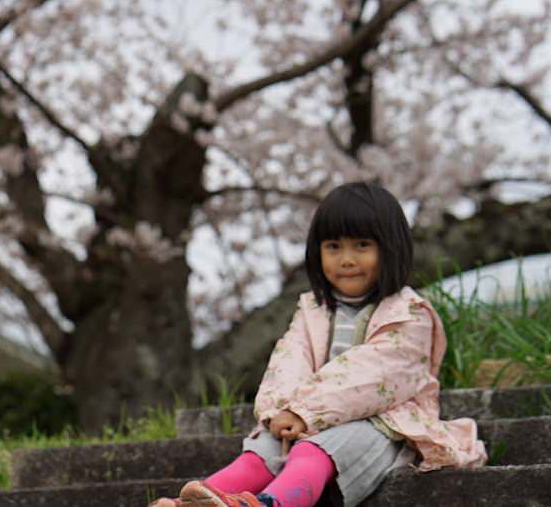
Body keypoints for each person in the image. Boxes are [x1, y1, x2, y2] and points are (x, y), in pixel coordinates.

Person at [151, 181, 486, 507]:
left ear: (391, 247)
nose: (347, 259)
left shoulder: (409, 313)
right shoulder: (313, 310)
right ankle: (197, 501)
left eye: (362, 245)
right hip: (309, 419)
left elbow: (376, 374)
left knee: (312, 452)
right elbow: (289, 360)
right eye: (333, 247)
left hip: (382, 428)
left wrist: (306, 412)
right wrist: (280, 411)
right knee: (261, 450)